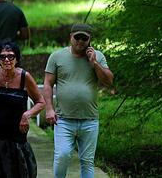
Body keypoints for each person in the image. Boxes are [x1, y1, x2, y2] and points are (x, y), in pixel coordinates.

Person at [44, 24, 114, 178]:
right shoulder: (57, 56)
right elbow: (48, 84)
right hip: (64, 119)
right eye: (77, 37)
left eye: (84, 38)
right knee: (62, 156)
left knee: (87, 161)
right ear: (71, 37)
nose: (80, 41)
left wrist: (94, 63)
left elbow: (108, 81)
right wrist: (49, 109)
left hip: (89, 119)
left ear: (89, 40)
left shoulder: (98, 56)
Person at [0, 41, 44, 178]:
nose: (7, 60)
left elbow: (40, 102)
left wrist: (27, 115)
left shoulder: (24, 77)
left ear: (16, 59)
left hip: (15, 138)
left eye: (11, 56)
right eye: (3, 57)